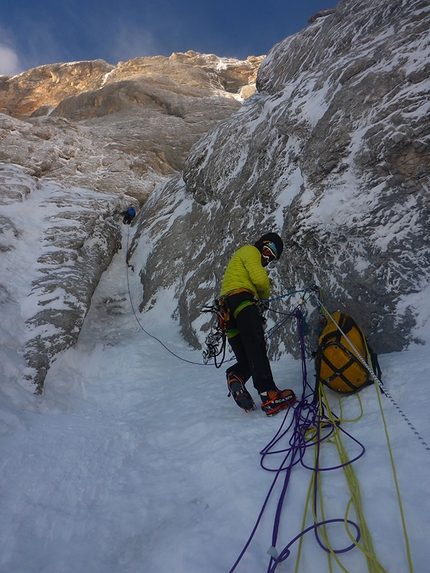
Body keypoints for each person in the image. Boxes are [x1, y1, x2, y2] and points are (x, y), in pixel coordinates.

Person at [219, 232, 295, 416]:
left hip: (226, 312)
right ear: (262, 244)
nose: (268, 257)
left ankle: (236, 375)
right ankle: (269, 395)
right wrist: (264, 300)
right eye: (268, 251)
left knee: (247, 357)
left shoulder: (239, 262)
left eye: (272, 257)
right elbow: (260, 279)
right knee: (256, 348)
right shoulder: (250, 250)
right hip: (243, 301)